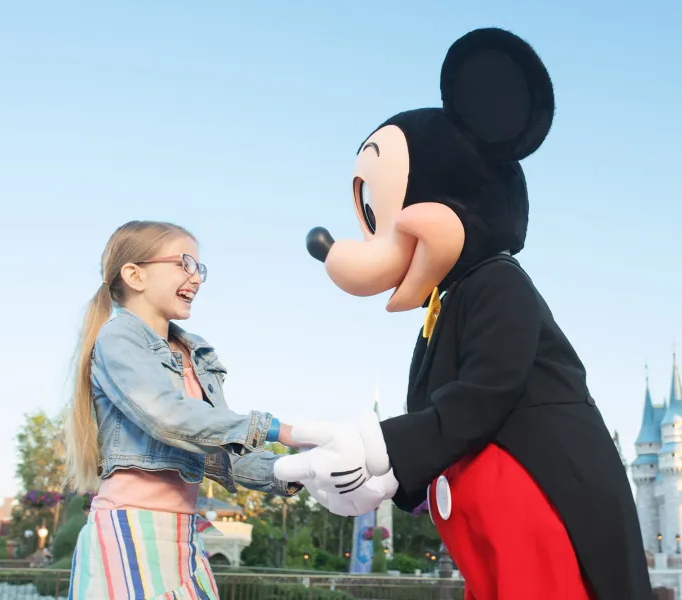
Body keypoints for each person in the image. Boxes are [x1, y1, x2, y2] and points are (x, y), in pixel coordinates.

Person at [275, 27, 652, 600]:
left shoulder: (500, 283)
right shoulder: (444, 305)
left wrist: (383, 448)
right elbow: (434, 415)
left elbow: (485, 393)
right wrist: (387, 482)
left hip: (544, 508)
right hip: (488, 531)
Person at [63, 220, 309, 599]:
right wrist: (282, 429)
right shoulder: (118, 337)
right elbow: (168, 416)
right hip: (132, 529)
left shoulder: (197, 354)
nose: (196, 278)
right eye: (184, 264)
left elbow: (228, 454)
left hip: (183, 535)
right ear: (134, 275)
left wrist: (307, 469)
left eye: (199, 268)